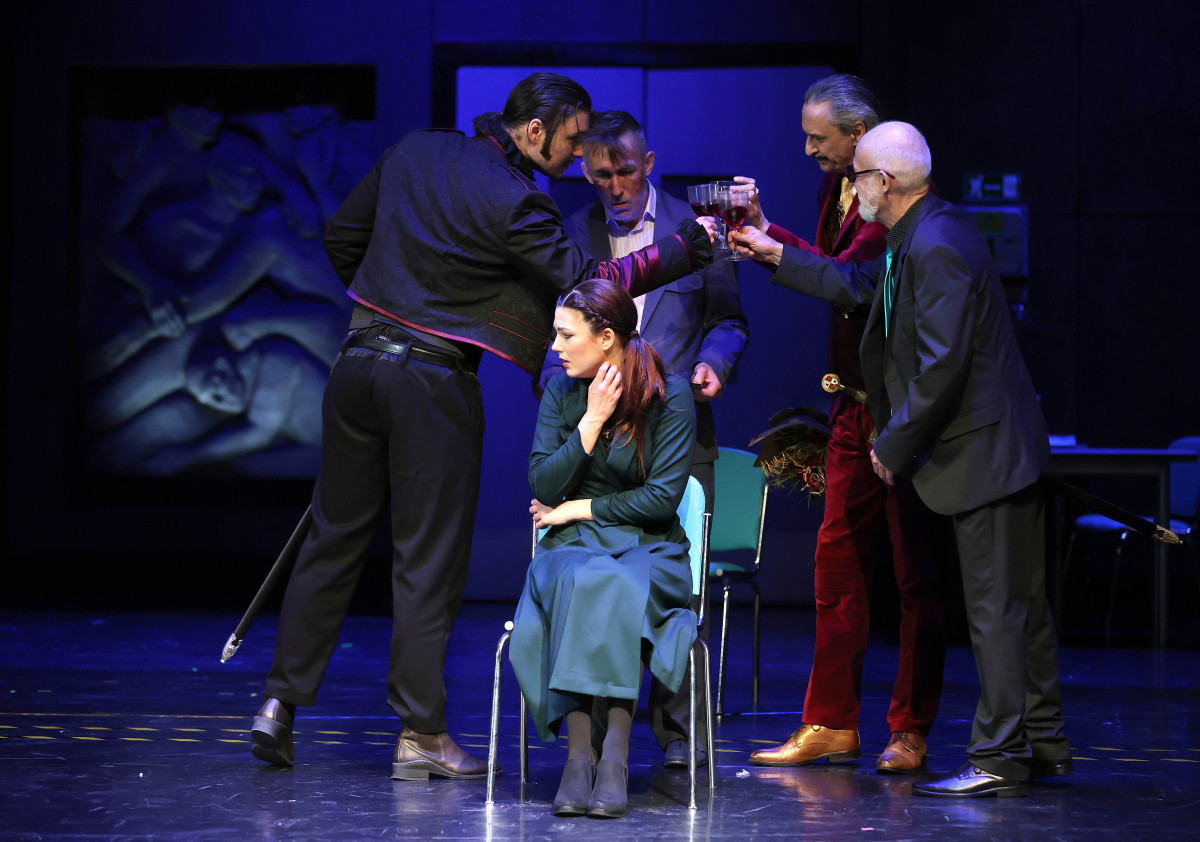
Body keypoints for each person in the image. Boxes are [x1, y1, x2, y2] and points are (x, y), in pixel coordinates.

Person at [249, 72, 714, 780]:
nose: (577, 155)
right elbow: (592, 281)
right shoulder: (515, 198)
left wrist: (387, 302)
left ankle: (278, 705)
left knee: (330, 540)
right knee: (426, 560)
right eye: (571, 140)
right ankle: (421, 734)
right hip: (430, 384)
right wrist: (688, 247)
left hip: (356, 365)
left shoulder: (413, 149)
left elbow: (343, 236)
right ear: (535, 131)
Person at [732, 121, 1071, 797]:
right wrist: (774, 248)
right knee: (1017, 607)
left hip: (986, 454)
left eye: (856, 174)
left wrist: (891, 444)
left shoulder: (936, 244)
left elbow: (941, 366)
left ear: (882, 181)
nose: (849, 186)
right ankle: (1041, 742)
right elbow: (856, 285)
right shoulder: (917, 235)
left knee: (998, 609)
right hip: (988, 450)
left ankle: (1001, 755)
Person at [735, 75, 946, 775]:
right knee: (837, 565)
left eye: (818, 137)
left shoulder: (893, 199)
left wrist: (772, 253)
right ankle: (830, 722)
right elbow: (831, 265)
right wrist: (768, 232)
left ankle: (909, 728)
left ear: (859, 135)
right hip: (850, 404)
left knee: (914, 575)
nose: (807, 149)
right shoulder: (838, 188)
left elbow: (856, 282)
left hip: (897, 407)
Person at [540, 110, 750, 769]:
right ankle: (593, 733)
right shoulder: (571, 235)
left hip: (678, 434)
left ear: (650, 163)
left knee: (674, 583)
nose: (615, 185)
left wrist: (714, 361)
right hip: (597, 440)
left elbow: (730, 321)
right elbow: (555, 337)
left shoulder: (697, 227)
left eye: (626, 171)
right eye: (600, 175)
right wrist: (562, 392)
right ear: (585, 172)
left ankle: (678, 732)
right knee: (596, 574)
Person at [511, 279, 699, 819]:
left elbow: (661, 499)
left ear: (607, 337)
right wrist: (590, 421)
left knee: (615, 583)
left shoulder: (669, 393)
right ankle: (579, 756)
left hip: (650, 546)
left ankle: (614, 752)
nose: (555, 347)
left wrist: (577, 508)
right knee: (577, 578)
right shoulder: (562, 392)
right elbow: (543, 483)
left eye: (567, 335)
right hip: (571, 548)